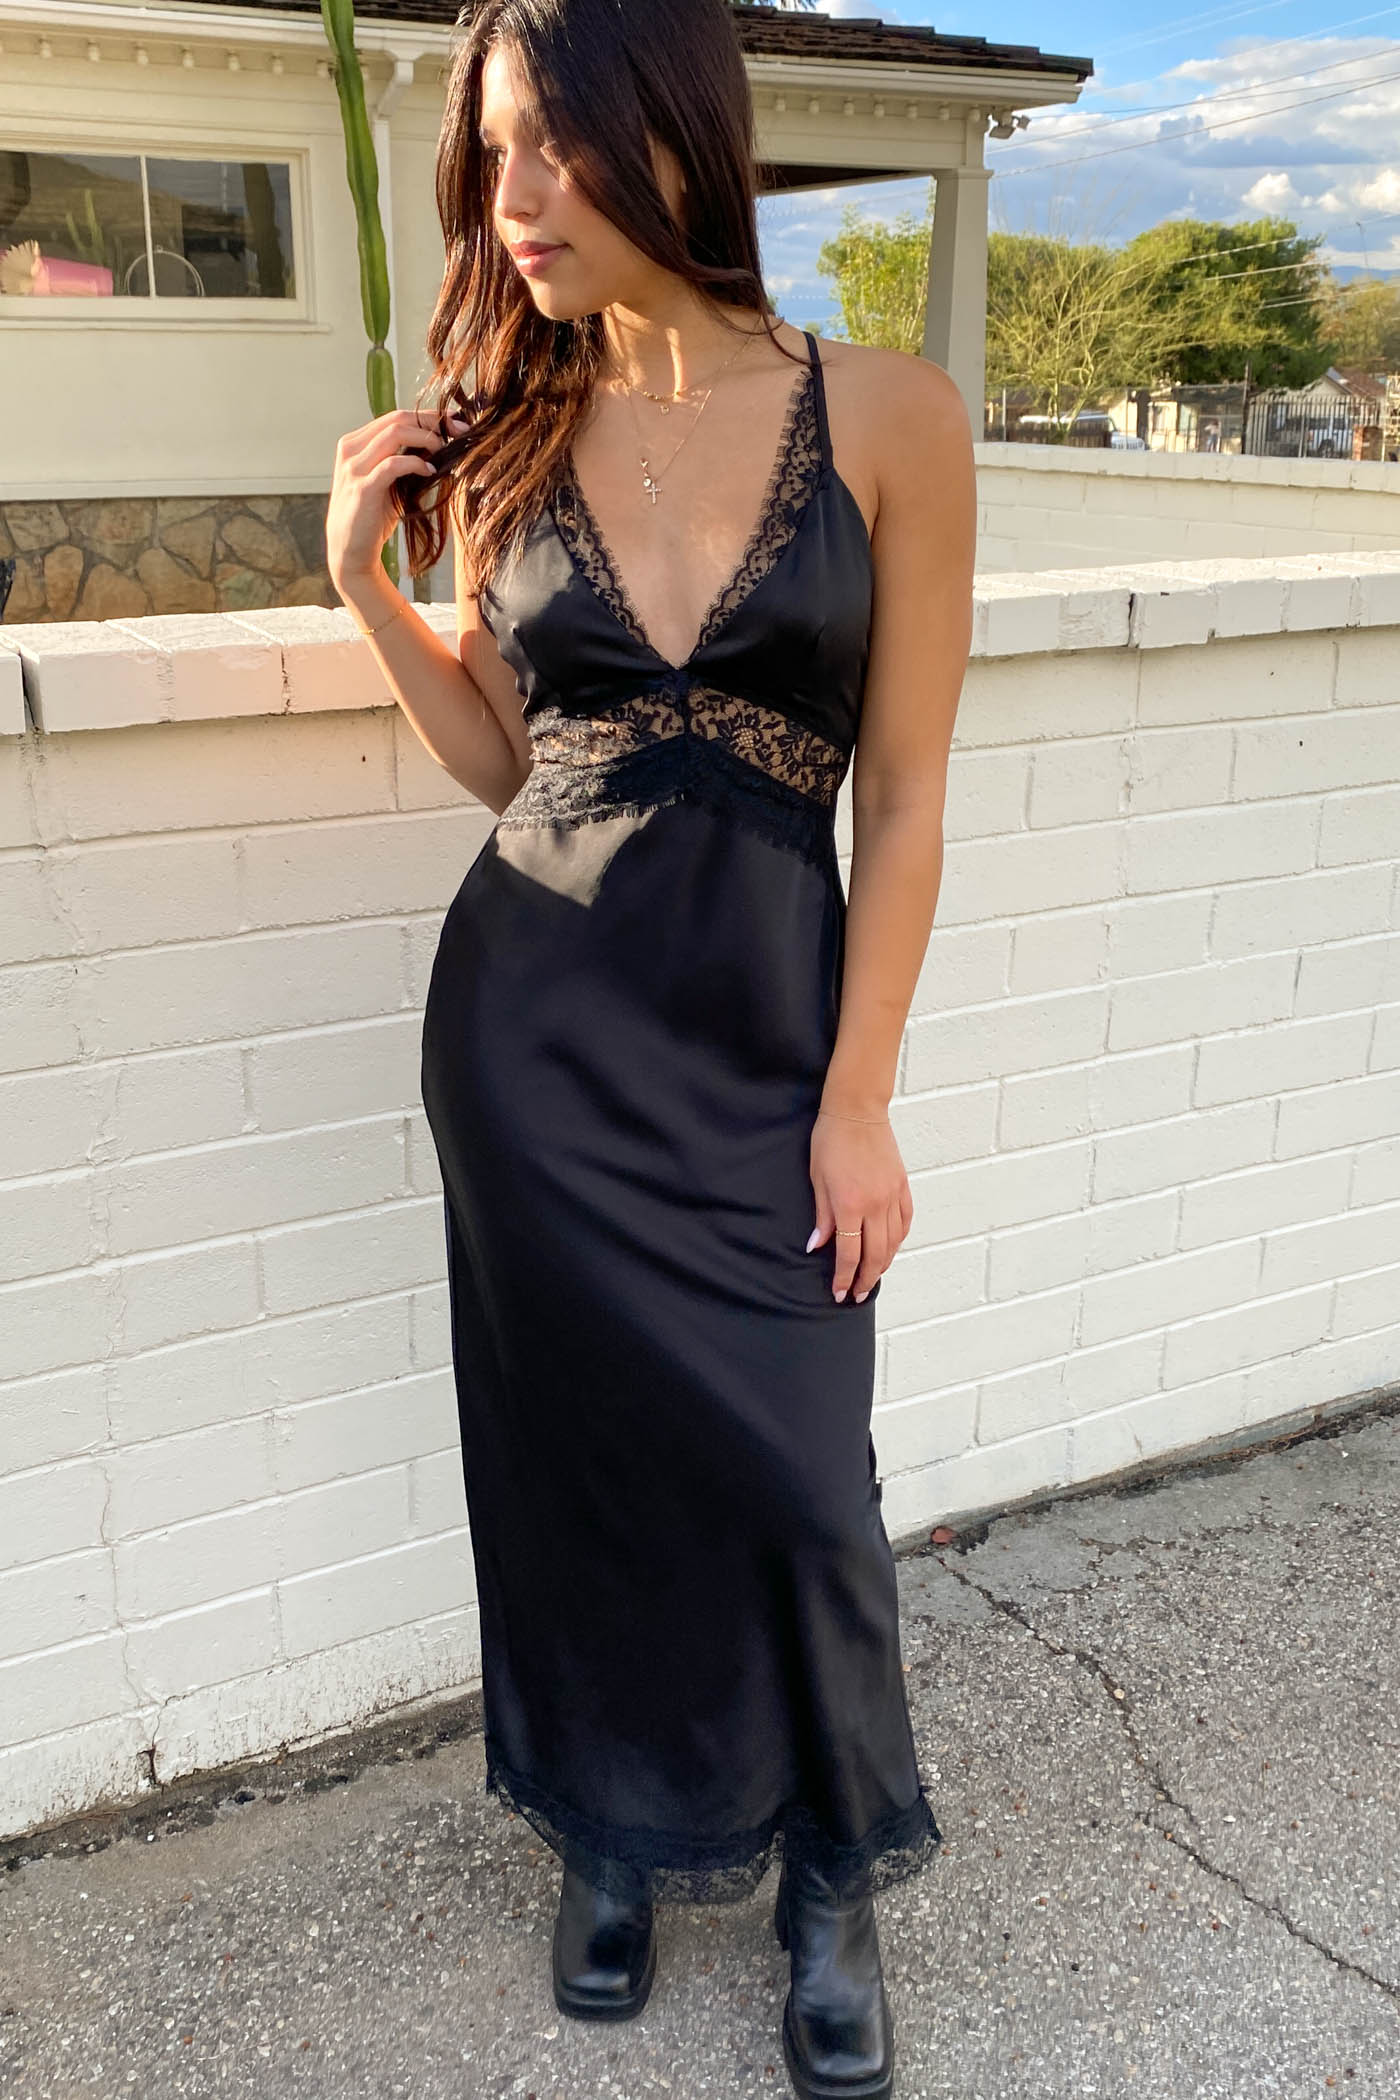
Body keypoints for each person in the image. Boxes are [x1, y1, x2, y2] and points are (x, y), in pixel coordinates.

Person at [325, 2, 976, 2093]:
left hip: (771, 1049)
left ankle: (823, 1871)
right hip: (532, 1042)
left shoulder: (888, 414)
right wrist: (364, 584)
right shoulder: (500, 428)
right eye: (488, 159)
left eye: (552, 149)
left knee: (800, 1474)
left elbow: (908, 795)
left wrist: (859, 1095)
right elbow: (516, 766)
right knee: (578, 1457)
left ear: (669, 138)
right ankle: (608, 1828)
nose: (510, 200)